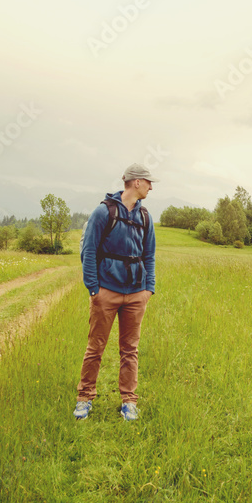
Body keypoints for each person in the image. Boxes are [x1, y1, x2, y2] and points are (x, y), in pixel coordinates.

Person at [74, 163, 157, 421]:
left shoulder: (145, 217)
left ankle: (128, 402)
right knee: (95, 347)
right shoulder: (103, 212)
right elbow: (89, 251)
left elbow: (149, 255)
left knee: (130, 350)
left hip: (136, 294)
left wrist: (148, 289)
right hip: (106, 291)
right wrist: (94, 289)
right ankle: (84, 397)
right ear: (135, 182)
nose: (151, 186)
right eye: (148, 182)